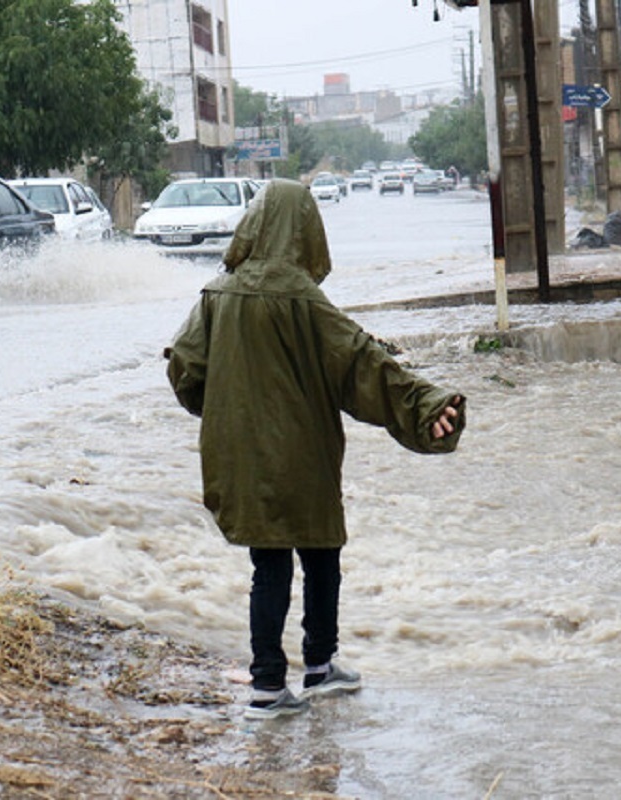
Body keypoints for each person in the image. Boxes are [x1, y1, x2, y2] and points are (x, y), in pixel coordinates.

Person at [165, 179, 466, 720]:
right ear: (306, 230)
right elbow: (364, 366)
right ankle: (319, 665)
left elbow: (186, 369)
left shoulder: (216, 295)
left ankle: (267, 685)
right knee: (322, 556)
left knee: (269, 564)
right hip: (304, 454)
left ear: (254, 224)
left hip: (243, 455)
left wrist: (226, 414)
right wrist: (428, 406)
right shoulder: (307, 302)